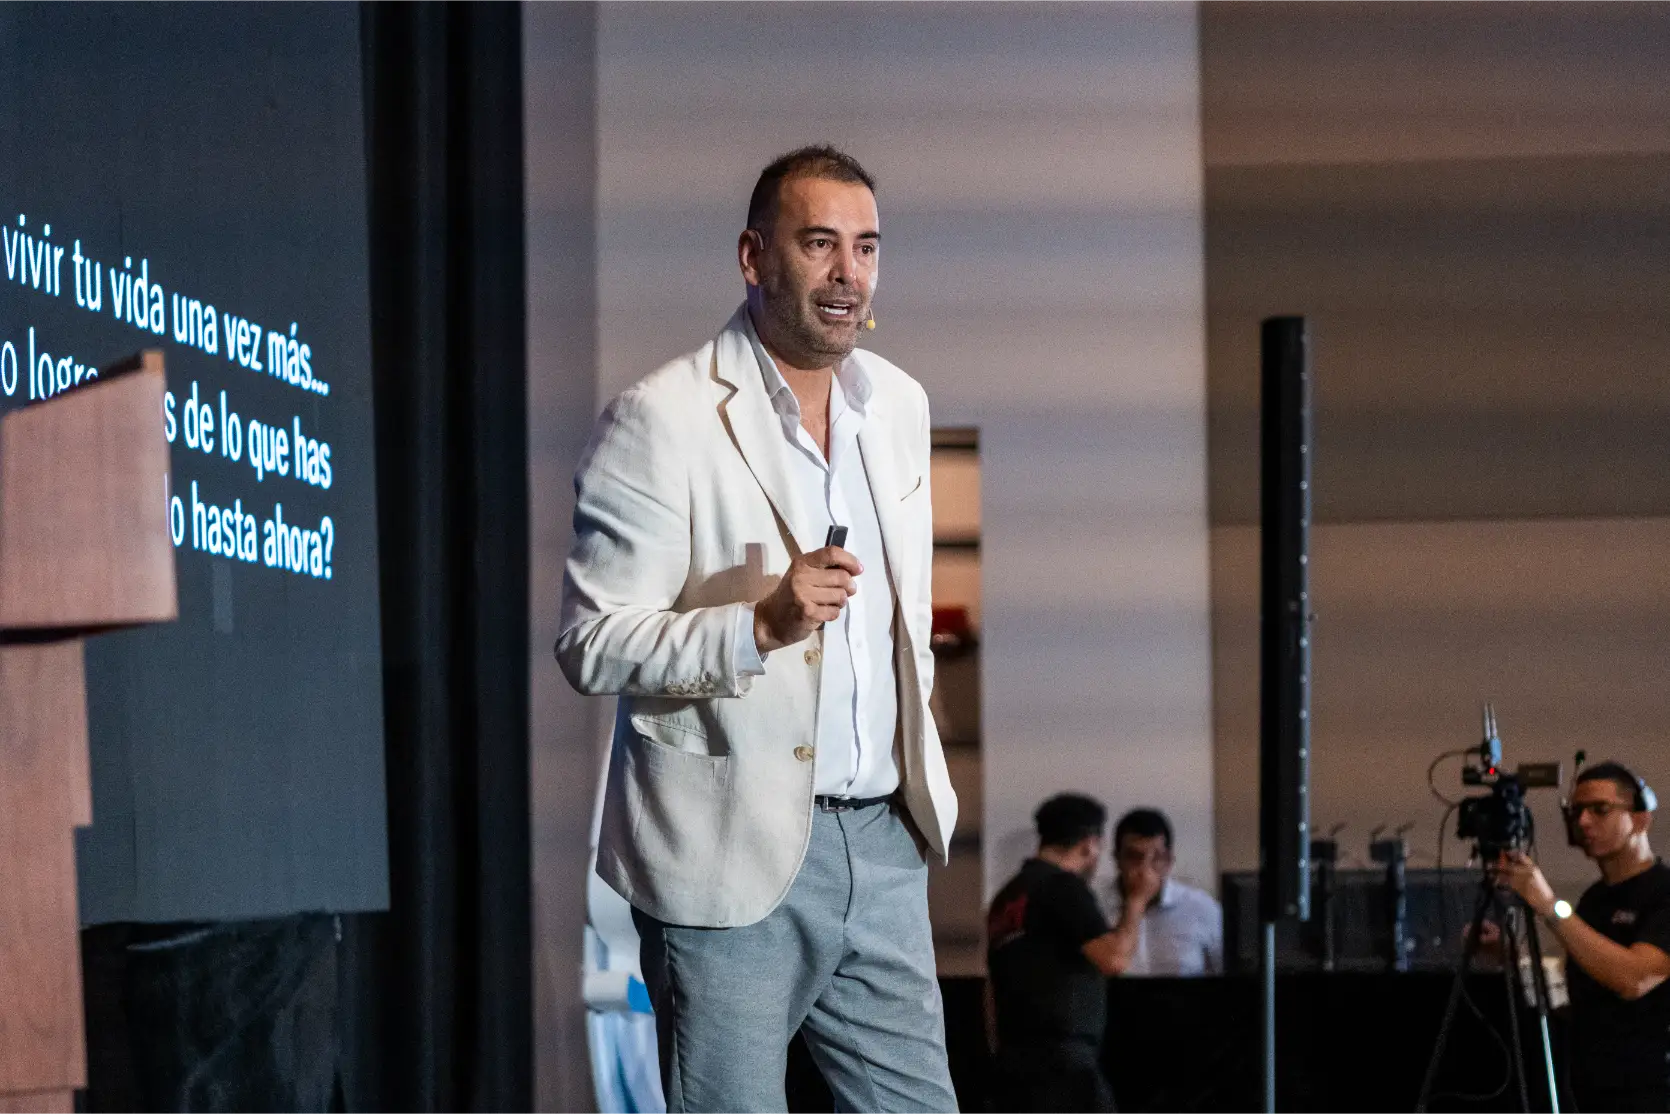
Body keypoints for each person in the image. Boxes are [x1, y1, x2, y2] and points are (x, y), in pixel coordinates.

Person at [556, 146, 959, 1114]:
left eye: (865, 247)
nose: (847, 273)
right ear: (753, 256)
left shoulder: (897, 406)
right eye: (818, 244)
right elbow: (591, 643)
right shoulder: (661, 418)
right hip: (725, 855)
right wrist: (759, 625)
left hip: (884, 842)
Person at [1496, 761, 1670, 1114]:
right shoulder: (1594, 899)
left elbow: (1634, 978)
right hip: (1590, 1089)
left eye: (1600, 809)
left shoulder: (1663, 893)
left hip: (1651, 1091)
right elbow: (1585, 996)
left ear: (1640, 819)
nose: (1584, 822)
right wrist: (1510, 957)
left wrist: (1550, 906)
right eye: (1576, 811)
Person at [986, 794, 1118, 1114]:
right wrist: (1138, 901)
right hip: (1065, 1067)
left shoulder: (1005, 899)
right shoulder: (1064, 888)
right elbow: (1114, 959)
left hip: (1012, 1066)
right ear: (1089, 844)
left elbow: (989, 989)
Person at [1102, 808, 1223, 977]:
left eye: (1156, 858)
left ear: (1169, 861)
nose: (1144, 869)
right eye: (1134, 857)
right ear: (1117, 859)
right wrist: (1137, 900)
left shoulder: (1201, 907)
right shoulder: (1096, 907)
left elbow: (1230, 972)